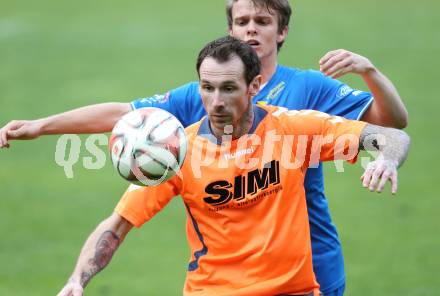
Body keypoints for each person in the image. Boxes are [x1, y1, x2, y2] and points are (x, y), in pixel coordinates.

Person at [0, 1, 408, 294]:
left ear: (254, 86)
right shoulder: (177, 147)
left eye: (262, 20)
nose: (215, 101)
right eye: (208, 88)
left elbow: (391, 129)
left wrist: (385, 153)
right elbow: (117, 211)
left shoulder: (297, 118)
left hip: (303, 268)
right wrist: (77, 279)